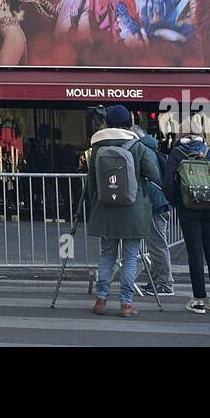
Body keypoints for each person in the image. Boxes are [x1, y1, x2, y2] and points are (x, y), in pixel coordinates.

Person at [84, 104, 161, 317]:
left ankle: (101, 299)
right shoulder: (138, 146)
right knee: (129, 258)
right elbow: (154, 174)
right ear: (129, 123)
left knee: (107, 255)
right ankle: (126, 304)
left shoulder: (97, 148)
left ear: (107, 122)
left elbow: (92, 183)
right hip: (133, 211)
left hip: (106, 210)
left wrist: (94, 205)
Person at [164, 115, 210, 313]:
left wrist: (176, 204)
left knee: (195, 253)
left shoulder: (177, 153)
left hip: (189, 208)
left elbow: (168, 183)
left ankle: (199, 298)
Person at [131, 113, 175, 296]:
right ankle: (157, 280)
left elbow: (149, 175)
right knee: (156, 243)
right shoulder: (150, 146)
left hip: (153, 202)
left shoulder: (140, 150)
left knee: (157, 244)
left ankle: (165, 283)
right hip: (159, 200)